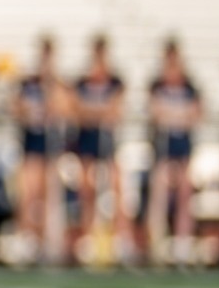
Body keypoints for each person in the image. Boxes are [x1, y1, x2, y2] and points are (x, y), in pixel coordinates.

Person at [13, 35, 72, 267]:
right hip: (32, 145)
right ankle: (28, 238)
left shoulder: (59, 84)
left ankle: (50, 239)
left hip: (53, 147)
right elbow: (16, 108)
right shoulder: (28, 84)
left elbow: (68, 109)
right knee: (28, 192)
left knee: (51, 195)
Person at [72, 34, 131, 264]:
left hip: (108, 142)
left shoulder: (116, 81)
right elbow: (77, 111)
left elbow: (115, 111)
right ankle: (88, 237)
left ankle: (121, 238)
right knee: (87, 190)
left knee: (116, 189)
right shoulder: (83, 82)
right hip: (87, 141)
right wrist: (98, 111)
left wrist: (93, 111)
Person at [144, 38, 203, 267]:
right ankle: (156, 241)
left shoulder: (190, 86)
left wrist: (174, 115)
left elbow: (196, 115)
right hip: (162, 147)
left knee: (185, 193)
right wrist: (179, 114)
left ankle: (182, 243)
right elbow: (156, 113)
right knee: (159, 193)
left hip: (183, 147)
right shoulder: (157, 84)